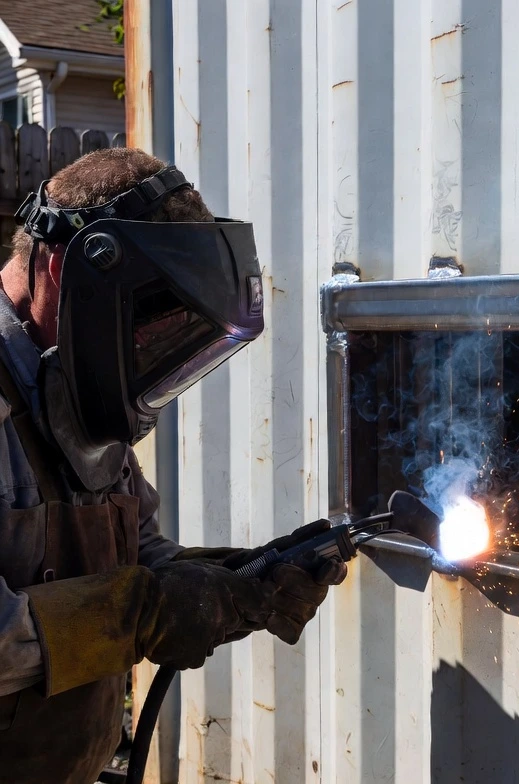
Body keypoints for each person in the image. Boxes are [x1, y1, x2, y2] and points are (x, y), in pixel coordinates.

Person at [0, 148, 345, 783]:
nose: (141, 351)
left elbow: (136, 557)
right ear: (60, 265)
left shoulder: (68, 388)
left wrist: (239, 582)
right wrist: (146, 613)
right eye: (135, 325)